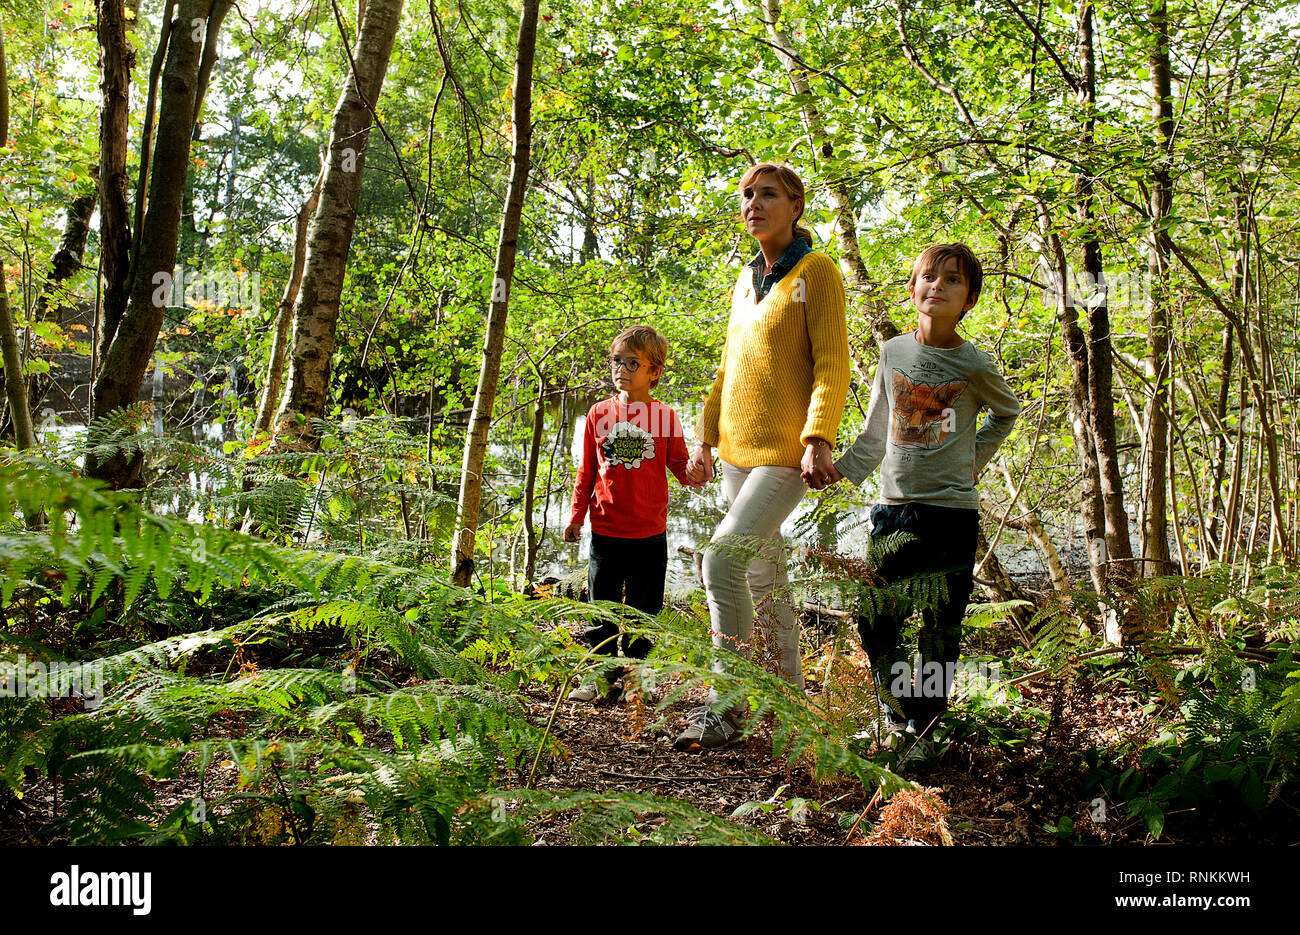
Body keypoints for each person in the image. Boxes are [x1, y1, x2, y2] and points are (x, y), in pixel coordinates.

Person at [674, 163, 851, 750]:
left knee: (721, 562)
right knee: (765, 579)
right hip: (734, 452)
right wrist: (704, 440)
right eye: (747, 194)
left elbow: (832, 365)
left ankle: (724, 708)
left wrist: (819, 438)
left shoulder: (818, 272)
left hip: (784, 455)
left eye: (768, 194)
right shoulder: (745, 281)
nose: (754, 203)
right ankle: (792, 706)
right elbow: (728, 372)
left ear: (796, 205)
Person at [828, 242, 1020, 754]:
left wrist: (970, 462)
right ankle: (902, 713)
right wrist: (836, 471)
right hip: (893, 511)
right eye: (928, 277)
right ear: (912, 289)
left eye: (952, 280)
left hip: (952, 516)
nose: (937, 285)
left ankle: (925, 729)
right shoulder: (892, 353)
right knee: (876, 619)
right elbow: (874, 435)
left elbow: (1007, 413)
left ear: (970, 299)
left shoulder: (975, 364)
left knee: (940, 626)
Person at [565, 325, 699, 702]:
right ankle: (601, 677)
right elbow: (588, 470)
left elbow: (680, 467)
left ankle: (637, 678)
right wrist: (576, 515)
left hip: (648, 534)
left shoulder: (665, 416)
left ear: (654, 371)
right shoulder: (599, 413)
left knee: (645, 611)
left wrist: (699, 472)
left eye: (632, 363)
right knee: (600, 608)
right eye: (617, 361)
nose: (621, 369)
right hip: (606, 529)